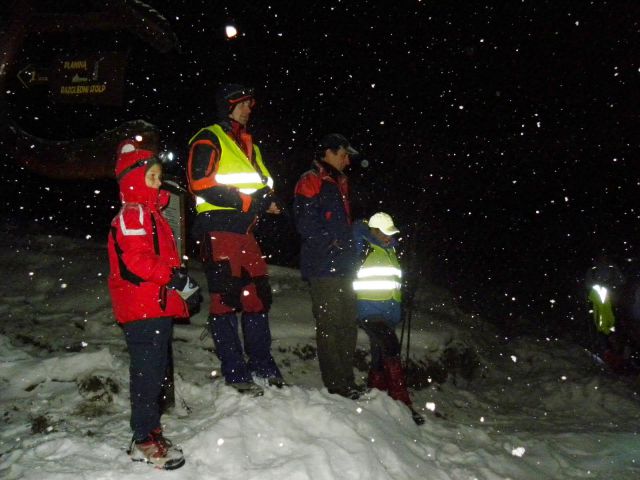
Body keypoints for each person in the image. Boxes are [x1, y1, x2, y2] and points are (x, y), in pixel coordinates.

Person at [107, 139, 200, 470]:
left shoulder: (150, 214)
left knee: (155, 370)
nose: (159, 182)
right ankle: (143, 438)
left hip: (153, 306)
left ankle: (151, 430)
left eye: (160, 176)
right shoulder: (133, 214)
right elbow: (137, 260)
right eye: (152, 177)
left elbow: (161, 261)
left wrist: (181, 288)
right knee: (148, 372)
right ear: (132, 179)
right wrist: (175, 280)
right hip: (141, 309)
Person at [187, 83, 284, 396]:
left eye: (249, 104)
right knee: (225, 299)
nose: (248, 109)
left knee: (256, 296)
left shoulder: (248, 145)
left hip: (245, 231)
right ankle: (235, 373)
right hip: (218, 228)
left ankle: (263, 367)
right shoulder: (209, 137)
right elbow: (199, 183)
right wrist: (245, 201)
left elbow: (260, 184)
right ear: (225, 106)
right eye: (241, 104)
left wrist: (267, 201)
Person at [293, 133, 363, 399]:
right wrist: (331, 244)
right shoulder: (311, 179)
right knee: (331, 324)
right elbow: (306, 223)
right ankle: (337, 384)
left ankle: (347, 379)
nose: (347, 160)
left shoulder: (339, 182)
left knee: (347, 323)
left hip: (344, 266)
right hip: (324, 267)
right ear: (327, 153)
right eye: (343, 154)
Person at [353, 212, 425, 425]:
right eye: (384, 233)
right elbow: (356, 236)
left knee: (379, 352)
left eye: (390, 233)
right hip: (369, 310)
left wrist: (406, 292)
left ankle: (376, 394)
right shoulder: (364, 246)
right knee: (391, 347)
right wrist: (362, 228)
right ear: (374, 231)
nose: (388, 237)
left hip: (388, 313)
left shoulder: (392, 250)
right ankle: (401, 400)